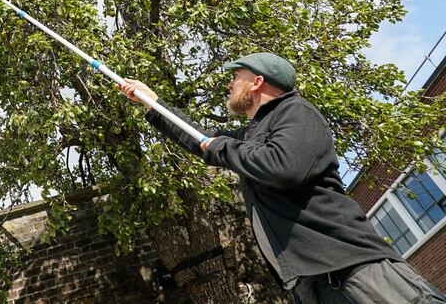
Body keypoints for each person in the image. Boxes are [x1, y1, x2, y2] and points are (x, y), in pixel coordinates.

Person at [117, 52, 446, 303]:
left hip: (355, 268)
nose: (229, 84)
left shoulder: (296, 113)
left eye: (236, 77)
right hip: (309, 283)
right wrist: (153, 104)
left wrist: (221, 146)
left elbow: (281, 167)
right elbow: (202, 139)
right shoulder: (253, 136)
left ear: (257, 82)